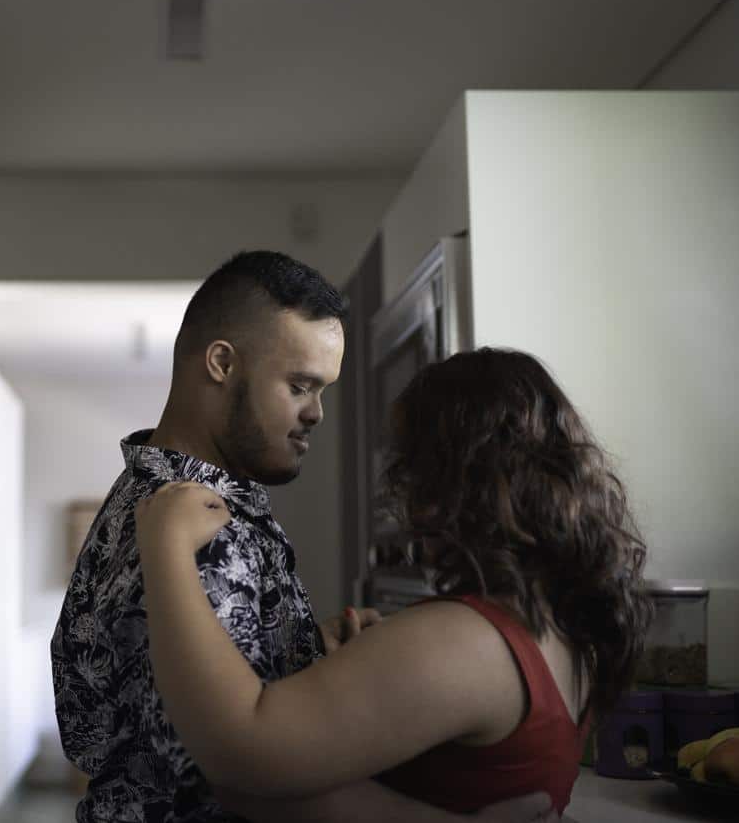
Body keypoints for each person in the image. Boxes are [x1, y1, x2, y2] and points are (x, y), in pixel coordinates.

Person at [51, 252, 561, 823]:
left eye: (322, 390)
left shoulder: (141, 491)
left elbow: (100, 724)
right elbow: (244, 780)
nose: (317, 413)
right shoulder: (202, 528)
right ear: (221, 363)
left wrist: (300, 651)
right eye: (300, 385)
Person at [134, 347, 654, 820]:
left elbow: (240, 753)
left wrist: (165, 549)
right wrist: (354, 676)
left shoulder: (465, 641)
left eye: (404, 462)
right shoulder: (560, 622)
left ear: (445, 476)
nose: (398, 488)